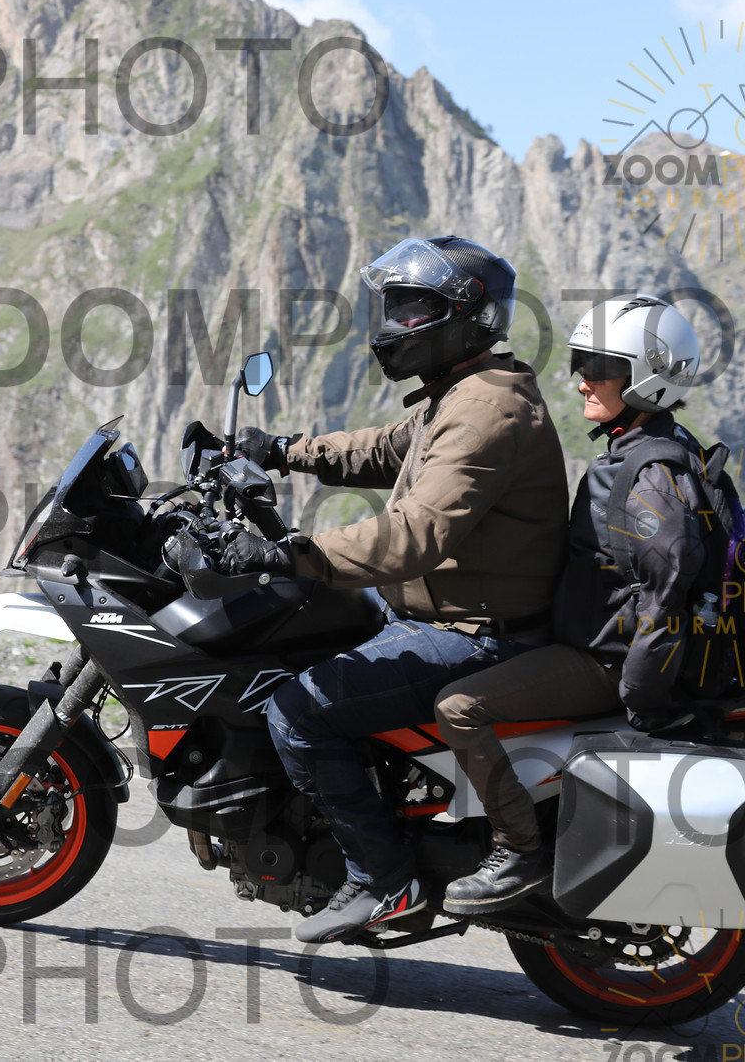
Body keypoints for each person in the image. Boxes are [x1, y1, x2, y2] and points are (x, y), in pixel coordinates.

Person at [219, 236, 571, 943]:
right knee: (301, 634)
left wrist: (293, 553)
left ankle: (383, 879)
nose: (395, 324)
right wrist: (284, 451)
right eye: (395, 307)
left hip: (474, 632)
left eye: (412, 309)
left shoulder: (485, 411)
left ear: (464, 317)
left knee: (298, 711)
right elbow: (386, 448)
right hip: (438, 607)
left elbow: (415, 535)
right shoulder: (463, 393)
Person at [435, 293, 712, 915]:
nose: (582, 378)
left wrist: (641, 694)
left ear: (649, 378)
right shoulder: (640, 449)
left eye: (600, 366)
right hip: (594, 641)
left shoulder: (652, 474)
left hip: (606, 661)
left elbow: (667, 588)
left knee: (459, 708)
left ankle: (518, 850)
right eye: (580, 361)